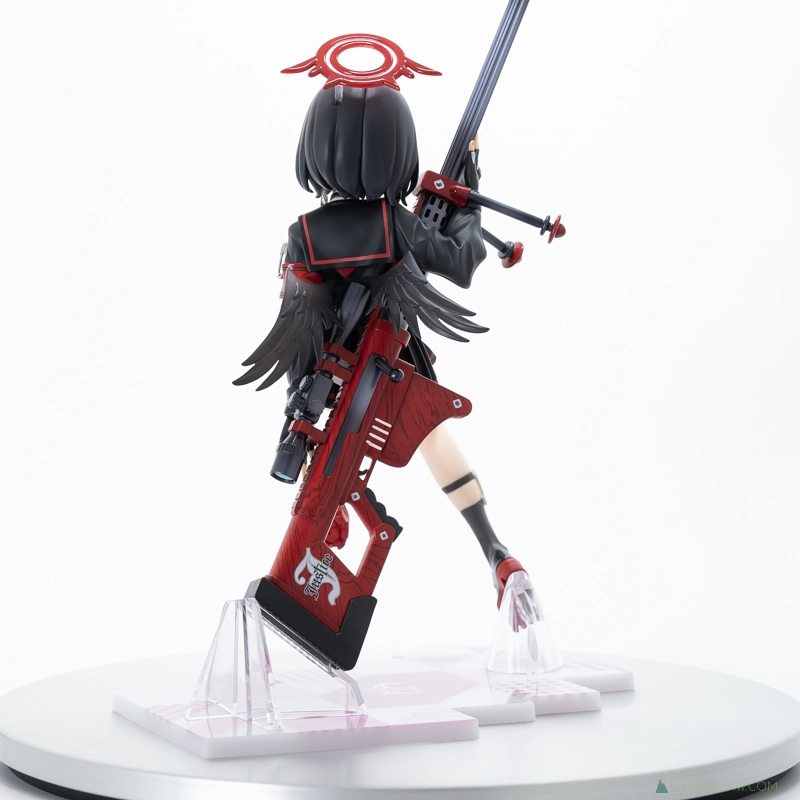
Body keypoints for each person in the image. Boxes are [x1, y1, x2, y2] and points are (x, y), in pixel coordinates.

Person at [234, 84, 527, 606]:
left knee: (327, 469)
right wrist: (467, 187)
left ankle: (338, 512)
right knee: (431, 439)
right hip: (394, 365)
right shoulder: (398, 224)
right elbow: (462, 261)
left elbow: (298, 336)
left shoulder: (302, 234)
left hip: (332, 382)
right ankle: (496, 551)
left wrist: (298, 412)